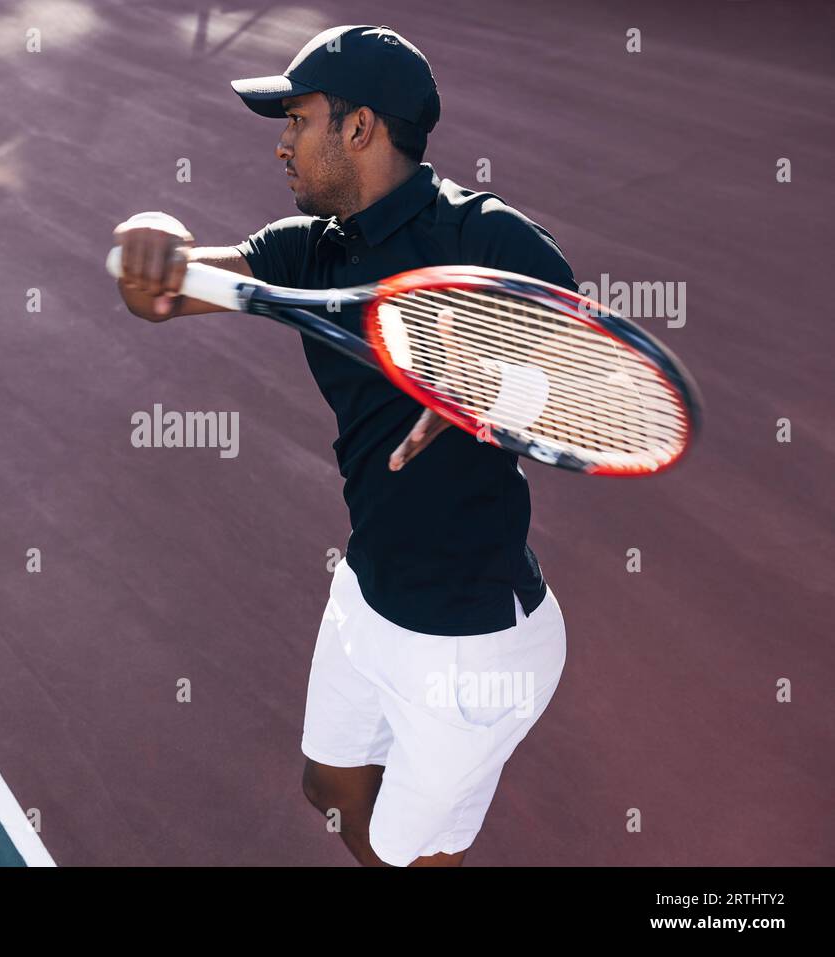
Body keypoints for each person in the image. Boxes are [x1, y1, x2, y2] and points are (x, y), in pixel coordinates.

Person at [111, 25, 572, 867]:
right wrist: (148, 236)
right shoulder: (309, 252)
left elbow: (590, 377)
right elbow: (167, 290)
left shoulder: (488, 239)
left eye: (297, 120)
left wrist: (490, 386)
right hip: (369, 584)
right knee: (328, 785)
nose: (281, 144)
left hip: (470, 643)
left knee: (409, 855)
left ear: (359, 129)